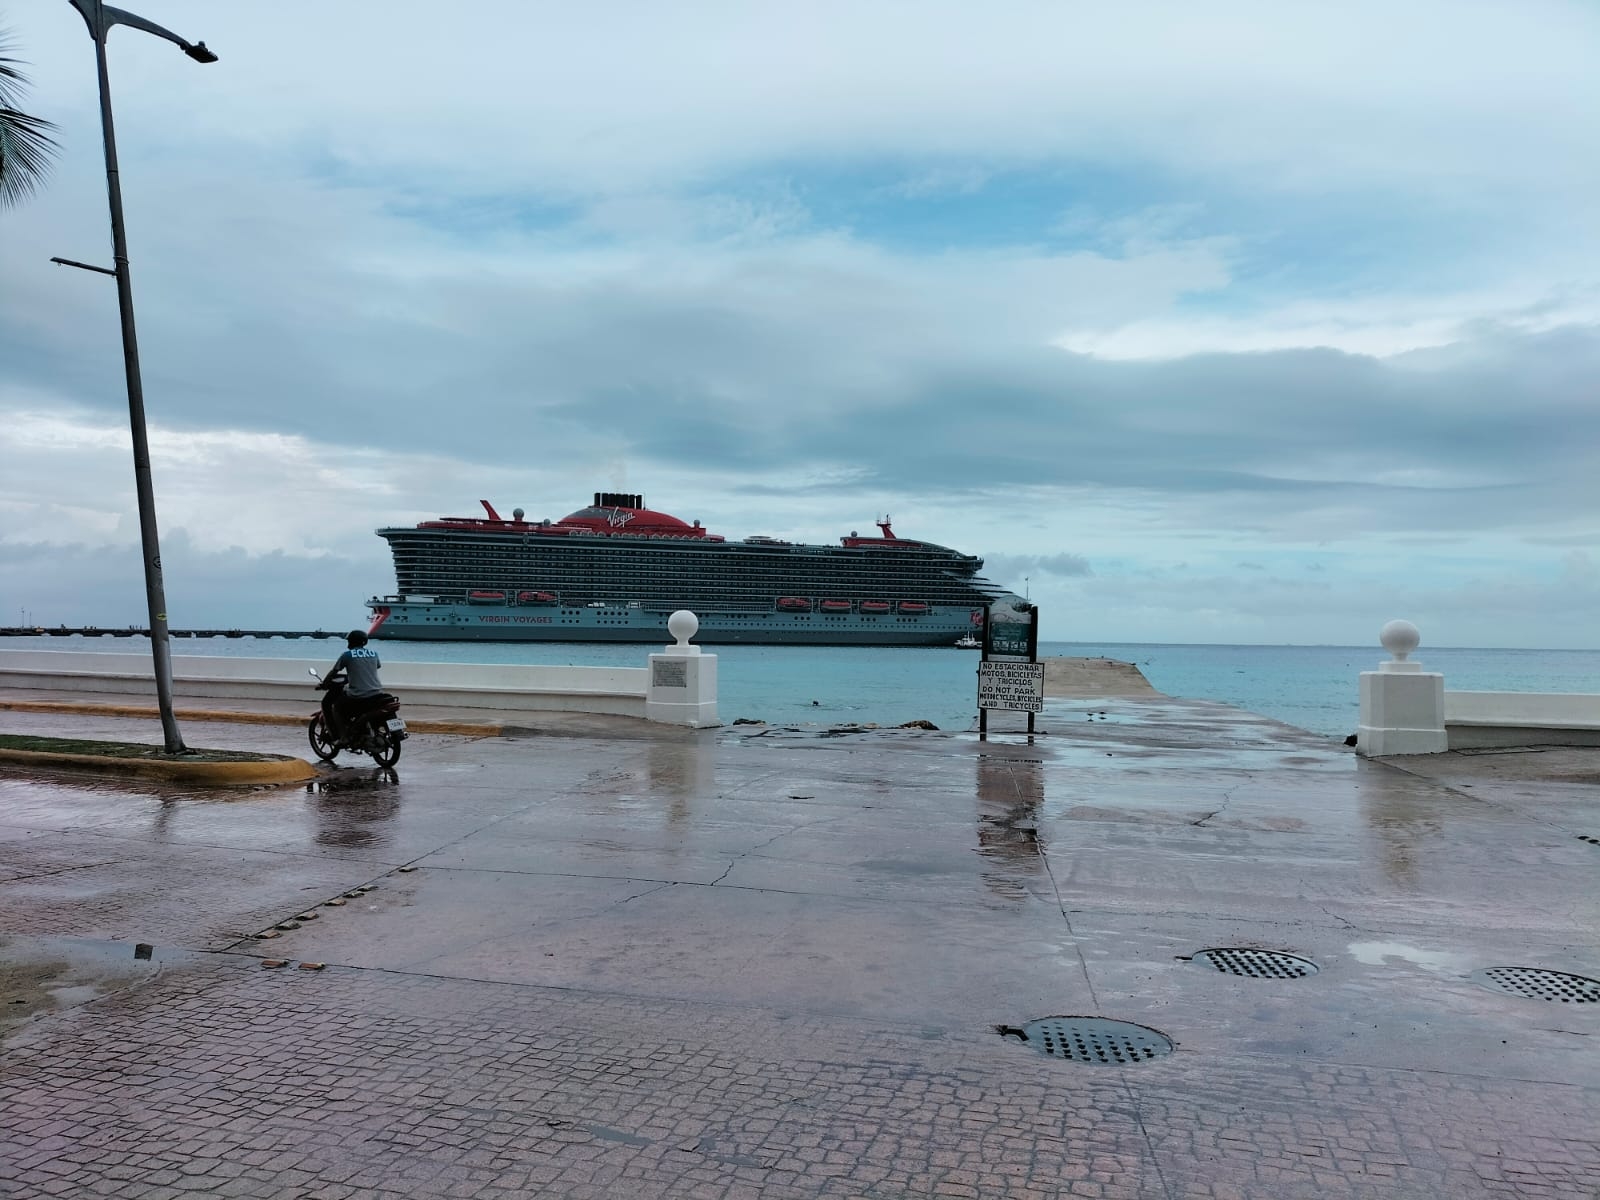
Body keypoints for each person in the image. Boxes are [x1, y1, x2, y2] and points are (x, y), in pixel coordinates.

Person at [320, 629, 386, 735]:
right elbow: (376, 667)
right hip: (377, 693)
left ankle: (343, 736)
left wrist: (324, 684)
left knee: (336, 707)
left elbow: (334, 672)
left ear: (351, 642)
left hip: (358, 694)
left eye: (349, 641)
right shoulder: (374, 654)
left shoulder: (347, 655)